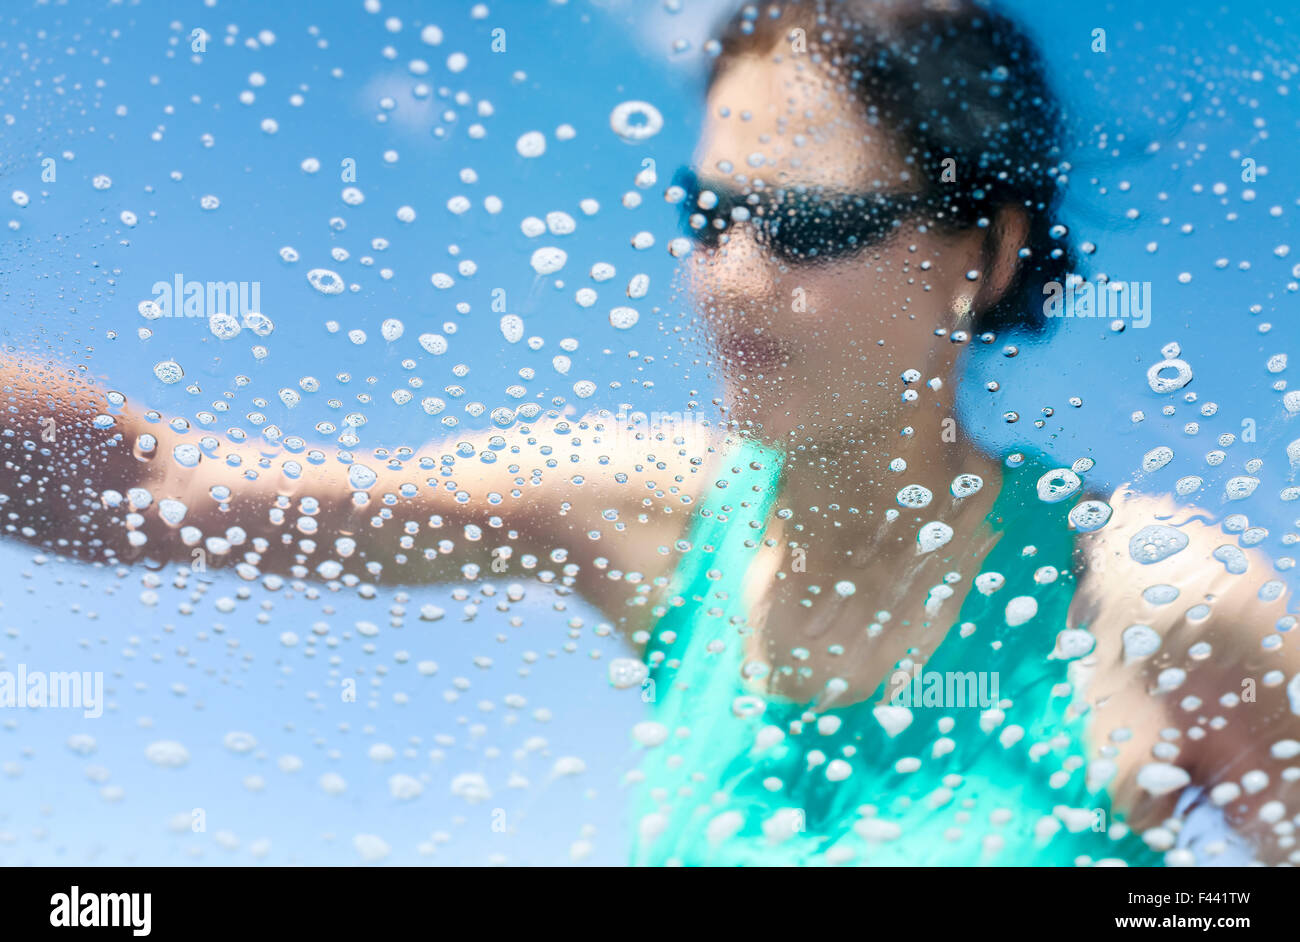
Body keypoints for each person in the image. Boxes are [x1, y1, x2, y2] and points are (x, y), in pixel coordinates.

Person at [1, 0, 1294, 865]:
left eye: (809, 226)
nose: (731, 278)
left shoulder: (1155, 604)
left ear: (984, 252)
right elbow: (149, 489)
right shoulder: (655, 513)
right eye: (707, 214)